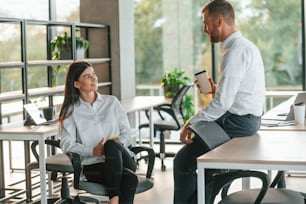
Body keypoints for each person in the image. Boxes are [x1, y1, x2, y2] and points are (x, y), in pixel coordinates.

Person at [173, 0, 266, 203]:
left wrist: (191, 123)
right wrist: (216, 90)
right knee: (203, 166)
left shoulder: (234, 52)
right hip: (246, 120)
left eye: (206, 23)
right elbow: (238, 93)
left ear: (219, 21)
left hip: (238, 123)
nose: (205, 29)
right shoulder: (246, 47)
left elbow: (222, 104)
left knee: (183, 160)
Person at [59, 61, 138, 204]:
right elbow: (66, 144)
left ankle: (113, 201)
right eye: (87, 76)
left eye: (94, 74)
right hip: (94, 166)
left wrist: (119, 143)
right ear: (76, 84)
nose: (94, 78)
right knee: (130, 179)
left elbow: (127, 132)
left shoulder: (112, 102)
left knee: (111, 145)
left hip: (124, 159)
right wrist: (92, 151)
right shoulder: (71, 111)